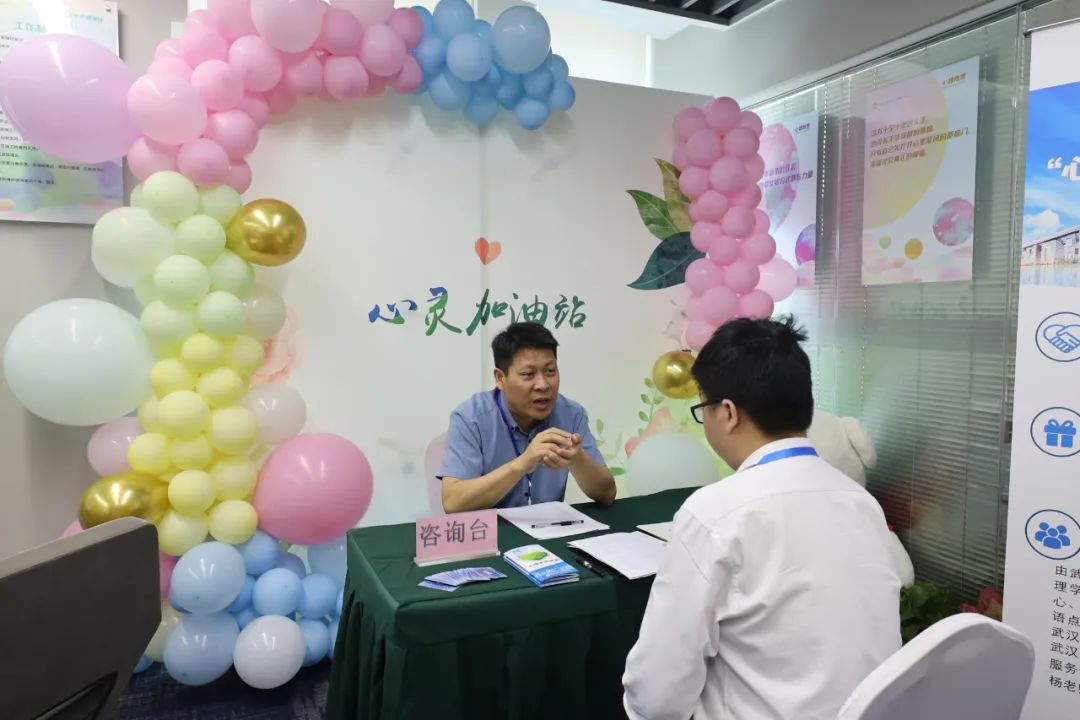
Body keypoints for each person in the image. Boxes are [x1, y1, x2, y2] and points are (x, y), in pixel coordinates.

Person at [622, 316, 901, 720]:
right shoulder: (862, 503)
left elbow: (656, 693)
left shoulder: (714, 513)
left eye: (703, 408)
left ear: (728, 413)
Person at [439, 322, 616, 513]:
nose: (543, 385)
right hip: (491, 530)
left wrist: (577, 459)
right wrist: (521, 465)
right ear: (500, 378)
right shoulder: (470, 418)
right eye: (528, 374)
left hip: (549, 528)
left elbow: (607, 494)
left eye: (550, 371)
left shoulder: (571, 414)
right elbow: (453, 503)